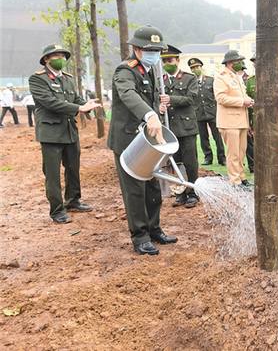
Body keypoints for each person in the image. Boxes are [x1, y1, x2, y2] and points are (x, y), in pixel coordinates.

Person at [107, 25, 178, 255]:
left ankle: (153, 229)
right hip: (128, 139)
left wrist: (157, 107)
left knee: (152, 187)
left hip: (147, 139)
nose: (155, 54)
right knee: (135, 190)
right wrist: (150, 114)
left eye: (158, 50)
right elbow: (129, 95)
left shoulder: (151, 71)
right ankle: (140, 236)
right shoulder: (125, 71)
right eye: (150, 49)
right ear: (136, 49)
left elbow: (148, 99)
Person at [29, 44, 100, 223]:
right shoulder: (37, 79)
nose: (61, 58)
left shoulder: (68, 79)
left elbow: (75, 98)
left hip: (69, 130)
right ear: (46, 59)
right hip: (50, 133)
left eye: (63, 55)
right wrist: (78, 107)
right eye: (56, 55)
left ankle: (73, 200)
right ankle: (57, 210)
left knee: (73, 168)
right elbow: (50, 102)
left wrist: (86, 104)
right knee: (52, 174)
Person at [161, 45, 200, 208]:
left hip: (186, 127)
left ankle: (193, 193)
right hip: (170, 129)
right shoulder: (160, 81)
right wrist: (160, 106)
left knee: (190, 162)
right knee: (175, 163)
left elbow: (191, 98)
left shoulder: (189, 78)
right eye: (164, 61)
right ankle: (181, 192)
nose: (167, 64)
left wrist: (170, 99)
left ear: (178, 61)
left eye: (170, 60)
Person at [214, 49, 254, 189]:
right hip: (229, 122)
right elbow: (221, 98)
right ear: (230, 63)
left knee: (241, 152)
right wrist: (242, 101)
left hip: (241, 121)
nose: (241, 64)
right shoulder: (221, 77)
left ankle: (242, 178)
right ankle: (235, 181)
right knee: (233, 154)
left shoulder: (236, 77)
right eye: (238, 62)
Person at [245, 52, 278, 174]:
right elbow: (248, 105)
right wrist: (249, 123)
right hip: (258, 121)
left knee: (275, 148)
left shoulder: (277, 77)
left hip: (273, 120)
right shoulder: (250, 81)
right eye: (254, 62)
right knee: (259, 149)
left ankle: (277, 172)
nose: (256, 64)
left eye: (258, 61)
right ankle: (262, 173)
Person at [188, 57, 226, 167]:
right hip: (198, 113)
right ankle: (208, 157)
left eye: (197, 67)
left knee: (217, 137)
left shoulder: (210, 80)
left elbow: (216, 96)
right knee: (203, 138)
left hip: (212, 112)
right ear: (191, 70)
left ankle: (222, 158)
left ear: (201, 68)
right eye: (193, 68)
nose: (196, 69)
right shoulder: (191, 82)